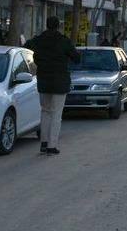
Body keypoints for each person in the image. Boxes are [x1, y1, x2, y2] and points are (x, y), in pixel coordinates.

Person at [24, 16, 80, 155]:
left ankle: (43, 143)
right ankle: (52, 145)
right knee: (56, 113)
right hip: (60, 82)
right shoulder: (63, 41)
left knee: (45, 111)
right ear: (58, 26)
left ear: (46, 25)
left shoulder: (38, 40)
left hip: (43, 81)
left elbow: (25, 48)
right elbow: (77, 58)